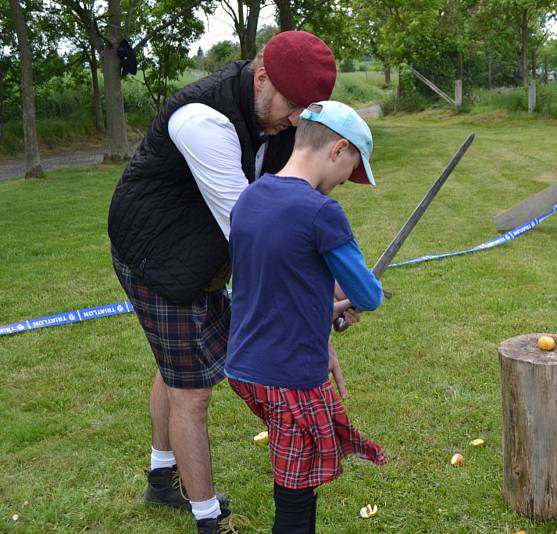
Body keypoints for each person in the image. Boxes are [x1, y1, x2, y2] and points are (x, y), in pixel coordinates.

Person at [107, 31, 347, 532]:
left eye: (309, 110)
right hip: (157, 255)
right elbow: (257, 234)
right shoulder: (202, 120)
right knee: (191, 391)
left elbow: (294, 214)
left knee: (175, 368)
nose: (299, 120)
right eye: (294, 106)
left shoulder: (284, 118)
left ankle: (159, 476)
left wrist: (328, 292)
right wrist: (311, 319)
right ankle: (207, 519)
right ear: (262, 78)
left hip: (205, 253)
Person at [225, 100, 387, 533]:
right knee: (295, 493)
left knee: (296, 465)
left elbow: (282, 276)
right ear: (336, 150)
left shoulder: (251, 196)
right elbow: (368, 295)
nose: (343, 183)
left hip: (245, 368)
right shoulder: (322, 212)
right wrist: (356, 297)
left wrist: (330, 305)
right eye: (350, 169)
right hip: (289, 376)